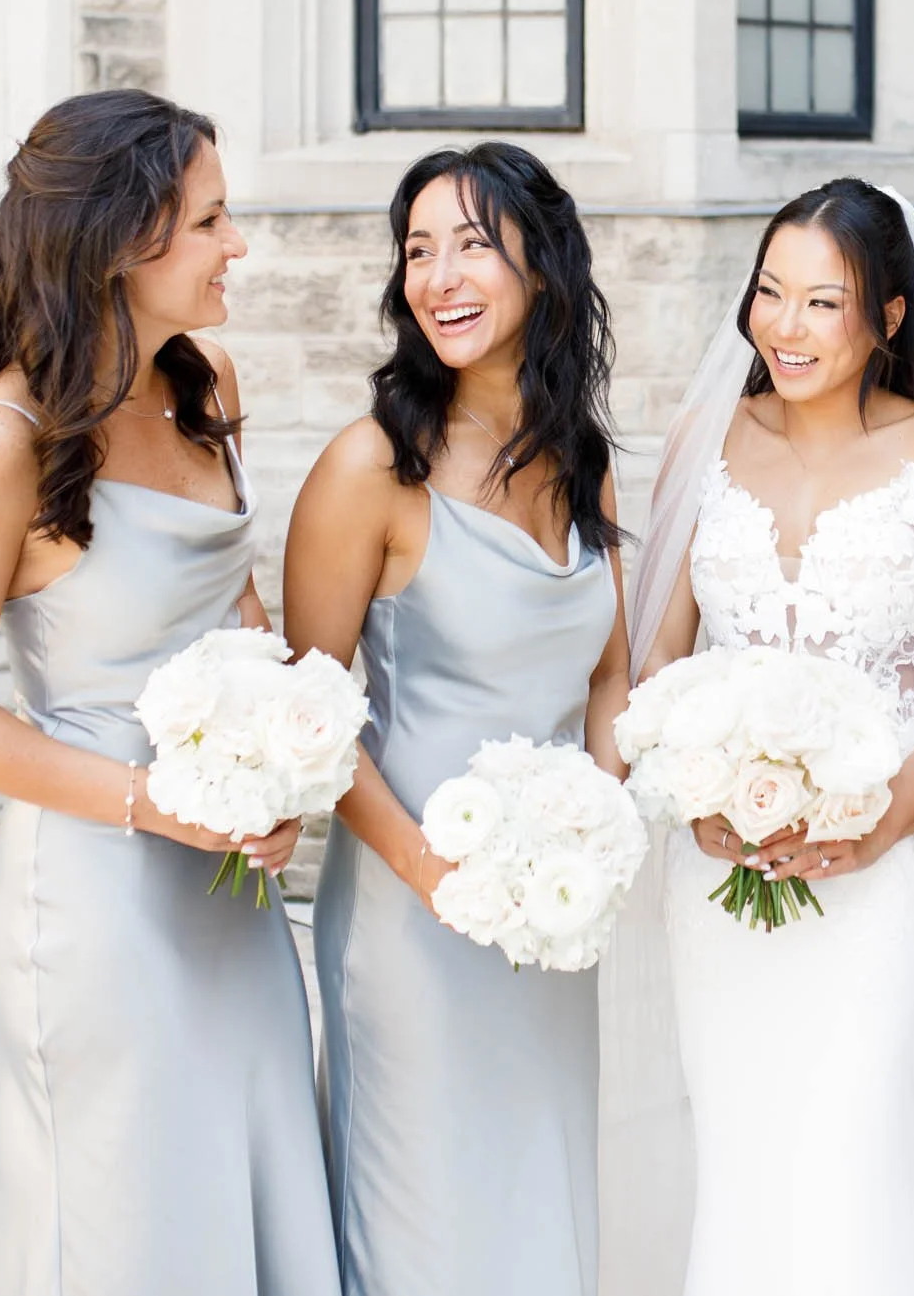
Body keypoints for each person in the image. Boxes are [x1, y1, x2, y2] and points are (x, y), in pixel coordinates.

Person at [0, 91, 337, 1296]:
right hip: (97, 901)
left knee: (244, 1183)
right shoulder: (5, 441)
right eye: (210, 221)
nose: (235, 245)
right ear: (123, 238)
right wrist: (156, 803)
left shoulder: (204, 381)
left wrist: (280, 757)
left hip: (227, 885)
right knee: (127, 1226)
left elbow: (229, 618)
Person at [614, 179, 914, 1296]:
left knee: (854, 1144)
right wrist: (695, 793)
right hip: (719, 871)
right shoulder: (706, 438)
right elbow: (658, 665)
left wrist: (876, 825)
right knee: (744, 1154)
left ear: (888, 318)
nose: (783, 328)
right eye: (769, 295)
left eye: (821, 303)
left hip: (882, 873)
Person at [283, 143, 628, 1296]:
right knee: (428, 1217)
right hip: (411, 915)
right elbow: (311, 719)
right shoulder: (370, 470)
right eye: (418, 250)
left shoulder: (581, 460)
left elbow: (607, 679)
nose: (438, 275)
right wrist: (438, 876)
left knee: (538, 1187)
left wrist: (601, 823)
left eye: (471, 243)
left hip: (551, 914)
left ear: (544, 264)